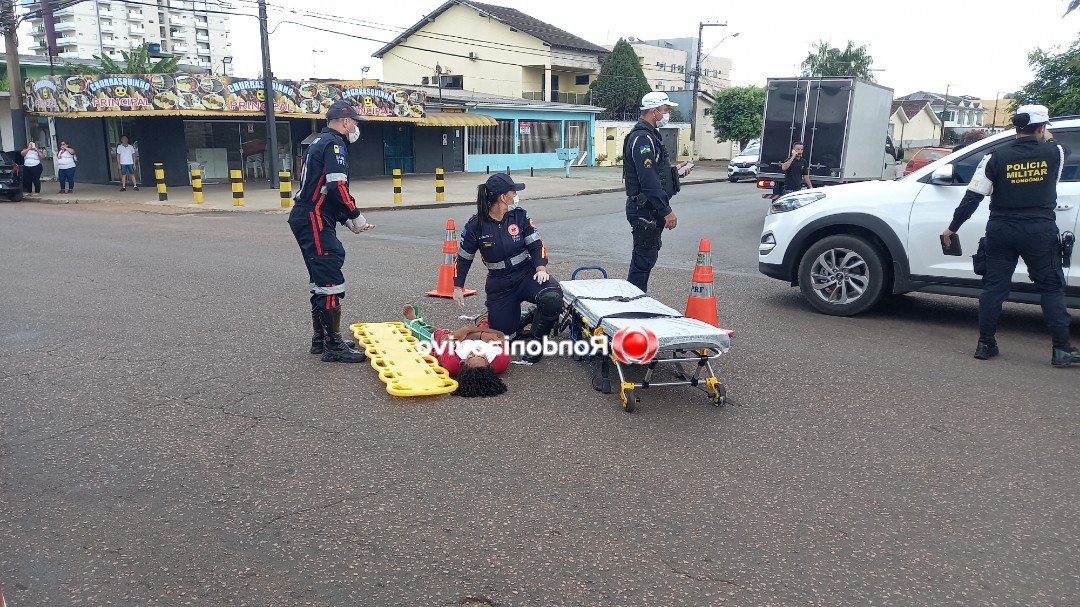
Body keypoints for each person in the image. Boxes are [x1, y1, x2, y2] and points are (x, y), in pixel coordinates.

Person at [941, 104, 1079, 367]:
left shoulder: (994, 157)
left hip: (1001, 229)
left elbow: (972, 197)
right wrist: (1044, 134)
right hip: (1039, 230)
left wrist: (952, 228)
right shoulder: (1055, 152)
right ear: (1041, 128)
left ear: (1016, 127)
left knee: (994, 287)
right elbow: (1056, 144)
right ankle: (1061, 350)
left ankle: (985, 344)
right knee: (1050, 287)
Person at [288, 100, 373, 363]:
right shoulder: (334, 144)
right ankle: (333, 346)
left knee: (320, 276)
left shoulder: (318, 142)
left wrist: (344, 219)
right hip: (313, 216)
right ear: (345, 122)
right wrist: (355, 216)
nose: (357, 127)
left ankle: (322, 339)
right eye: (355, 122)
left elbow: (321, 189)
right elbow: (337, 187)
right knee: (329, 275)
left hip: (311, 214)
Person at [453, 173, 563, 364]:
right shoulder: (475, 226)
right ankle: (526, 318)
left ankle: (536, 345)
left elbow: (536, 244)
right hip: (500, 283)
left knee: (552, 298)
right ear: (503, 197)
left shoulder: (519, 216)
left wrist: (540, 267)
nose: (516, 196)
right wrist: (457, 287)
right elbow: (463, 258)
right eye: (513, 192)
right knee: (504, 339)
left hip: (527, 274)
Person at [623, 91, 691, 292]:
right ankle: (633, 305)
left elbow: (655, 172)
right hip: (645, 209)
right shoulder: (642, 139)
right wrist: (666, 210)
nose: (667, 113)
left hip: (649, 208)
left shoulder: (651, 136)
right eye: (665, 110)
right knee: (643, 262)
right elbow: (648, 179)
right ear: (653, 112)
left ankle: (636, 299)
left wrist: (675, 173)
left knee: (646, 258)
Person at [402, 305, 508, 397]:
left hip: (449, 339)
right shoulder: (501, 360)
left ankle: (414, 321)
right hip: (476, 335)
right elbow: (499, 335)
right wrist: (477, 334)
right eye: (480, 356)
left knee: (432, 335)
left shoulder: (452, 363)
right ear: (490, 366)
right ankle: (483, 318)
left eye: (471, 356)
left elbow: (445, 338)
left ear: (463, 364)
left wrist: (465, 331)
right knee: (491, 323)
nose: (475, 352)